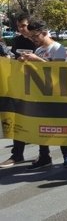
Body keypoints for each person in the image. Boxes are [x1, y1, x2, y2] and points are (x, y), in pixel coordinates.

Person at [19, 18, 67, 170]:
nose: (33, 40)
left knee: (60, 124)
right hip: (41, 92)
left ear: (44, 33)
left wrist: (37, 60)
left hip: (57, 93)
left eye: (35, 37)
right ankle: (44, 155)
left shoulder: (58, 48)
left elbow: (57, 71)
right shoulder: (38, 50)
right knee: (40, 124)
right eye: (31, 37)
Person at [0, 14, 36, 168]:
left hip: (37, 87)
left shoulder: (37, 40)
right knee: (19, 119)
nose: (22, 29)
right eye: (19, 26)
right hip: (20, 85)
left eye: (24, 26)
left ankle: (45, 155)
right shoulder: (17, 41)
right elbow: (13, 60)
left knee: (40, 120)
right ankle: (17, 154)